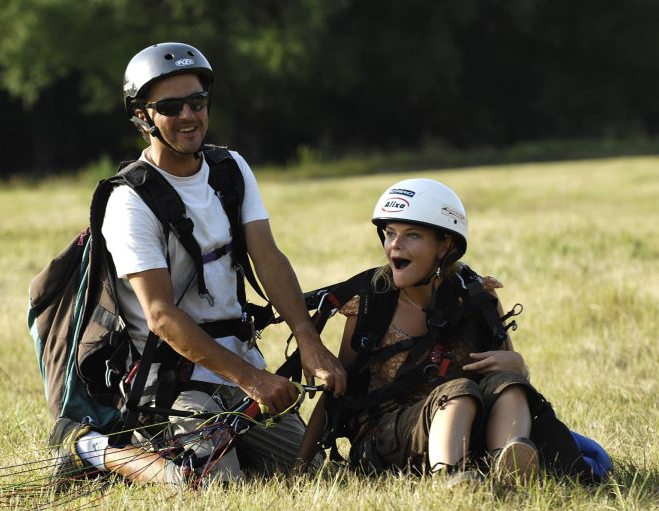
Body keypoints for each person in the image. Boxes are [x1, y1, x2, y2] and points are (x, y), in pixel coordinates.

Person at [50, 42, 346, 486]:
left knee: (316, 477)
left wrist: (308, 341)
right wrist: (253, 381)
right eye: (170, 106)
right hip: (173, 383)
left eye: (198, 101)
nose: (189, 115)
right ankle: (92, 449)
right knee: (210, 487)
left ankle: (232, 444)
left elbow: (267, 257)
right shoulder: (129, 201)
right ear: (142, 116)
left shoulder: (230, 169)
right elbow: (161, 316)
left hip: (241, 368)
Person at [295, 178, 541, 487]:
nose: (395, 245)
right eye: (390, 233)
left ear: (445, 246)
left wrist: (519, 365)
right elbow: (335, 397)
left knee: (508, 382)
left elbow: (513, 378)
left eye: (412, 235)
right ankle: (449, 479)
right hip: (384, 439)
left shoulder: (479, 298)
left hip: (468, 426)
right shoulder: (372, 306)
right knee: (458, 390)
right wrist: (299, 468)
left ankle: (505, 467)